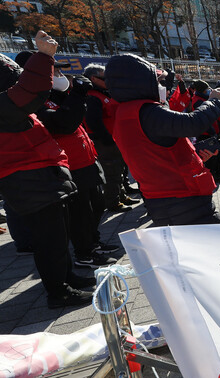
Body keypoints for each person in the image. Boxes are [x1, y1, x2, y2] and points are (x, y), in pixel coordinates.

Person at [0, 31, 94, 308]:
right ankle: (58, 291)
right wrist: (43, 56)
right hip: (29, 180)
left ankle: (66, 278)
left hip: (40, 177)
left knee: (58, 236)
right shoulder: (7, 103)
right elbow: (29, 90)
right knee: (48, 240)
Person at [15, 51, 118, 268]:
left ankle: (94, 241)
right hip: (70, 165)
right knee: (81, 213)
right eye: (55, 71)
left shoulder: (60, 95)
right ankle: (85, 253)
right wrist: (77, 95)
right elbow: (63, 123)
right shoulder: (36, 102)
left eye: (61, 70)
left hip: (87, 159)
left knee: (96, 204)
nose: (62, 75)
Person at [105, 54, 220, 226]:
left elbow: (155, 152)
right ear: (141, 81)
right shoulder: (148, 111)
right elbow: (192, 123)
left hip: (159, 197)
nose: (161, 86)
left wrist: (194, 156)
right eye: (158, 81)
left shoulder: (123, 113)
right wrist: (215, 102)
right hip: (183, 198)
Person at [84, 63, 136, 212]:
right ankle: (113, 202)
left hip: (115, 139)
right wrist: (107, 140)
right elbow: (94, 122)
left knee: (119, 169)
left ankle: (121, 195)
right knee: (111, 171)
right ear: (93, 78)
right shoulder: (92, 97)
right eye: (104, 78)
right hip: (105, 141)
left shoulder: (104, 93)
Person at [190, 79, 220, 183]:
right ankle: (213, 174)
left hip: (213, 131)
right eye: (207, 89)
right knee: (211, 156)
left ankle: (219, 172)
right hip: (206, 132)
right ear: (203, 90)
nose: (209, 90)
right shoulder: (198, 101)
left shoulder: (204, 98)